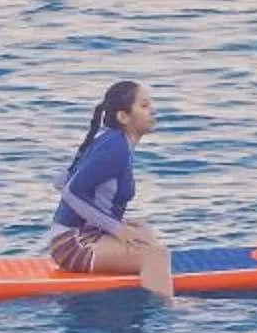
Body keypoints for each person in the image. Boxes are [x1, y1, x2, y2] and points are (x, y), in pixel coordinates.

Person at [49, 80, 174, 299]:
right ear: (123, 117)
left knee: (143, 230)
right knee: (156, 256)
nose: (153, 110)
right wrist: (116, 229)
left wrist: (117, 226)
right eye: (144, 106)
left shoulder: (115, 142)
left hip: (85, 234)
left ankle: (149, 283)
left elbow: (61, 181)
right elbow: (70, 192)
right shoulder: (115, 148)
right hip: (74, 244)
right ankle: (166, 312)